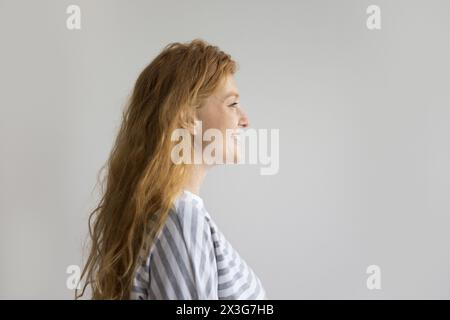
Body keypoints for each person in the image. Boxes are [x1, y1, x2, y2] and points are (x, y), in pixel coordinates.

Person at [76, 39, 267, 300]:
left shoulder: (169, 214)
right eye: (232, 104)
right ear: (187, 116)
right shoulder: (181, 217)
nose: (245, 120)